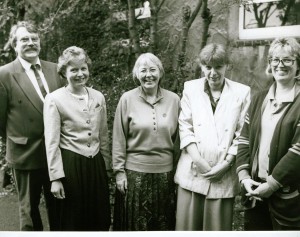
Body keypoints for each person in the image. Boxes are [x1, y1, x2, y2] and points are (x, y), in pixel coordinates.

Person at [174, 43, 251, 230]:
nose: (213, 73)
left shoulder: (242, 92)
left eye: (218, 67)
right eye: (208, 67)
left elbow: (242, 133)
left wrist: (225, 165)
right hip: (193, 171)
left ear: (227, 66)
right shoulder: (191, 89)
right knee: (187, 227)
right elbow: (185, 126)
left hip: (222, 175)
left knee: (217, 228)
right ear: (202, 67)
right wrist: (198, 160)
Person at [0, 21, 61, 231]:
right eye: (24, 39)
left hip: (57, 152)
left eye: (34, 39)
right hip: (25, 153)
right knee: (29, 212)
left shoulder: (55, 69)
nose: (30, 43)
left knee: (60, 207)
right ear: (14, 44)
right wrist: (18, 136)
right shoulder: (4, 74)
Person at [43, 46, 111, 231]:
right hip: (71, 165)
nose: (80, 74)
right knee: (74, 219)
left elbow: (103, 135)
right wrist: (56, 178)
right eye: (74, 70)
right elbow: (52, 142)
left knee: (98, 218)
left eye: (83, 68)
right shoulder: (54, 99)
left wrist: (107, 167)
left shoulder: (98, 97)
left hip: (95, 165)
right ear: (64, 73)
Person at [236, 37, 300, 230]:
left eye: (288, 60)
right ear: (270, 63)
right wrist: (244, 176)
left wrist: (272, 184)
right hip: (254, 192)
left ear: (298, 64)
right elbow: (244, 139)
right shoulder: (259, 98)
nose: (280, 65)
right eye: (275, 59)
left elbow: (298, 151)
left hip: (289, 197)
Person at [112, 53, 180, 231]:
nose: (148, 75)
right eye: (143, 70)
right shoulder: (127, 99)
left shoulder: (174, 100)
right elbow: (119, 137)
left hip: (165, 176)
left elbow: (179, 140)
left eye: (152, 70)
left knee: (163, 225)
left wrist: (178, 173)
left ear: (161, 72)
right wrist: (119, 172)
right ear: (136, 75)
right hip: (135, 176)